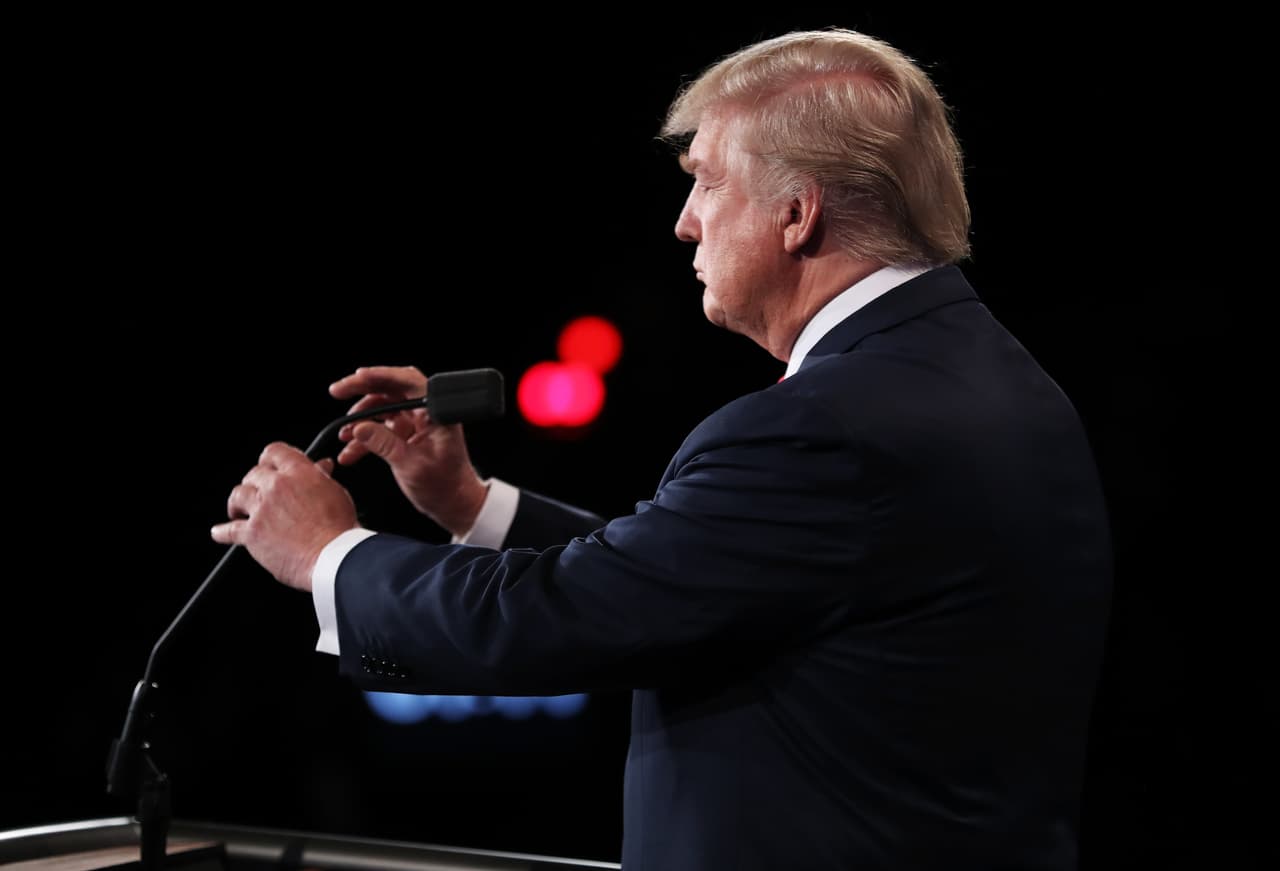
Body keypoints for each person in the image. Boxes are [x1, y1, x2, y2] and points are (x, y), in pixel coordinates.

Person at [212, 28, 1112, 870]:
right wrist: (470, 504)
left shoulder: (824, 425)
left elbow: (565, 620)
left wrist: (328, 553)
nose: (685, 221)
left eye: (706, 182)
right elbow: (694, 584)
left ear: (797, 213)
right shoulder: (1005, 383)